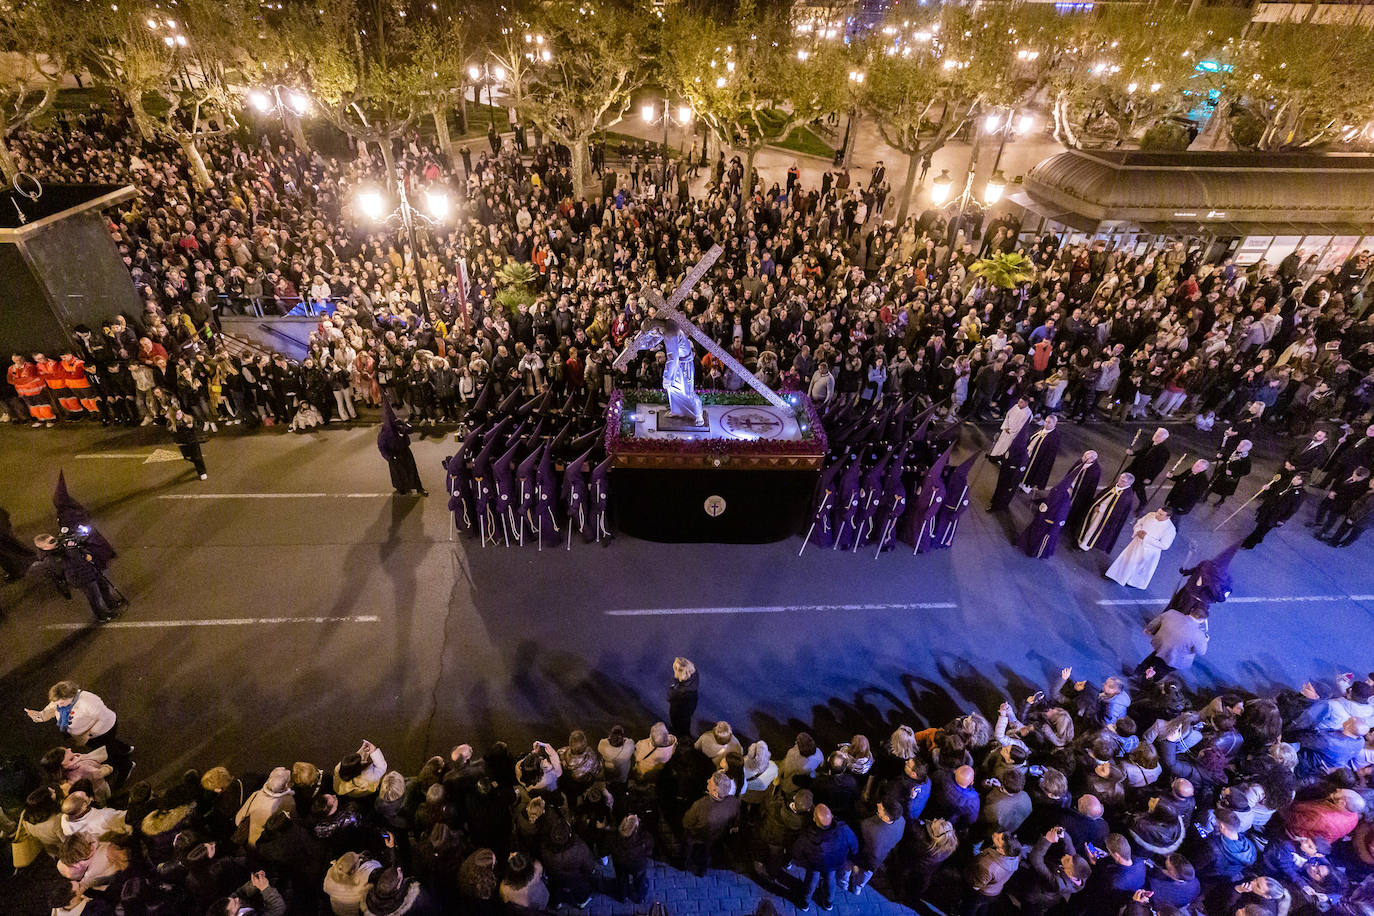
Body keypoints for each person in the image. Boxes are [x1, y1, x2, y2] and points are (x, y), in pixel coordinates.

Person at [24, 681, 134, 781]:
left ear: (70, 696)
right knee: (110, 744)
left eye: (61, 703)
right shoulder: (61, 701)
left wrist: (88, 735)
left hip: (103, 732)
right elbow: (51, 709)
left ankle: (126, 765)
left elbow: (102, 718)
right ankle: (125, 749)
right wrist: (39, 716)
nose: (58, 706)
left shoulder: (88, 702)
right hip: (89, 735)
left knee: (109, 750)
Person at [791, 803, 857, 912]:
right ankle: (828, 903)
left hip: (815, 864)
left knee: (811, 880)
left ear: (814, 819)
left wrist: (801, 860)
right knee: (831, 879)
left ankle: (804, 903)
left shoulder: (808, 835)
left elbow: (796, 851)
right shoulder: (843, 829)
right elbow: (854, 844)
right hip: (835, 863)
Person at [1106, 508, 1176, 589]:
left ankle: (1132, 582)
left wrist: (1145, 538)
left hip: (1149, 551)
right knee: (1127, 560)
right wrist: (1138, 531)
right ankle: (1117, 575)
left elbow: (1165, 545)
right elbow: (1139, 523)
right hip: (1137, 543)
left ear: (1168, 517)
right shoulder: (1150, 515)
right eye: (1157, 512)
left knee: (1139, 567)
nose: (1156, 515)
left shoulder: (1170, 529)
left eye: (1161, 514)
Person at [377, 398, 427, 496]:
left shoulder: (399, 424)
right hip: (394, 455)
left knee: (412, 469)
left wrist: (403, 426)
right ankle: (401, 488)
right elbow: (382, 447)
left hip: (405, 450)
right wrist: (389, 458)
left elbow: (411, 429)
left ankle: (418, 487)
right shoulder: (384, 433)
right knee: (398, 473)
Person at [1241, 473, 1306, 549]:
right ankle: (1258, 539)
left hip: (1276, 515)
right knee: (1261, 527)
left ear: (1303, 482)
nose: (1294, 479)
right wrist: (1268, 489)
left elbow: (1293, 509)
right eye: (1295, 477)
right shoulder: (1286, 483)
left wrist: (1283, 519)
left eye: (1298, 479)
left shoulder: (1301, 494)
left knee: (1261, 529)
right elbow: (1273, 492)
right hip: (1268, 508)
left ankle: (1248, 544)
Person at [1077, 473, 1136, 553]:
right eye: (1120, 478)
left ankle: (1084, 546)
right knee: (1089, 526)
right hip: (1098, 512)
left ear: (1128, 483)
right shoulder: (1117, 486)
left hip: (1104, 517)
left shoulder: (1126, 496)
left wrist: (1100, 508)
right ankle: (1081, 540)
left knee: (1093, 530)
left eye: (1123, 480)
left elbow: (1116, 511)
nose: (1120, 481)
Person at [1123, 428, 1170, 506]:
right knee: (1129, 481)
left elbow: (1159, 468)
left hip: (1145, 473)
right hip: (1135, 467)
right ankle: (1126, 500)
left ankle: (1140, 502)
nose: (1155, 436)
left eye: (1158, 436)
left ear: (1163, 438)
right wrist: (1133, 453)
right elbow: (1142, 452)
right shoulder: (1149, 442)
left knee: (1136, 488)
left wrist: (1150, 478)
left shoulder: (1164, 452)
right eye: (1155, 434)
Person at [171, 409, 208, 479]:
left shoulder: (188, 418)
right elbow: (171, 431)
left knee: (197, 457)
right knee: (187, 457)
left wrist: (190, 425)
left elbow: (195, 428)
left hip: (192, 441)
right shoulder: (172, 422)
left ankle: (202, 472)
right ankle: (198, 464)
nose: (179, 416)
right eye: (177, 414)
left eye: (180, 413)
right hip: (182, 443)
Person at [667, 656, 698, 738]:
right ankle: (683, 736)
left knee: (679, 724)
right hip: (686, 707)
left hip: (681, 709)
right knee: (684, 723)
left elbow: (671, 697)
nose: (675, 671)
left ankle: (680, 738)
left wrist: (673, 689)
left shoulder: (683, 690)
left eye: (677, 669)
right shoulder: (692, 677)